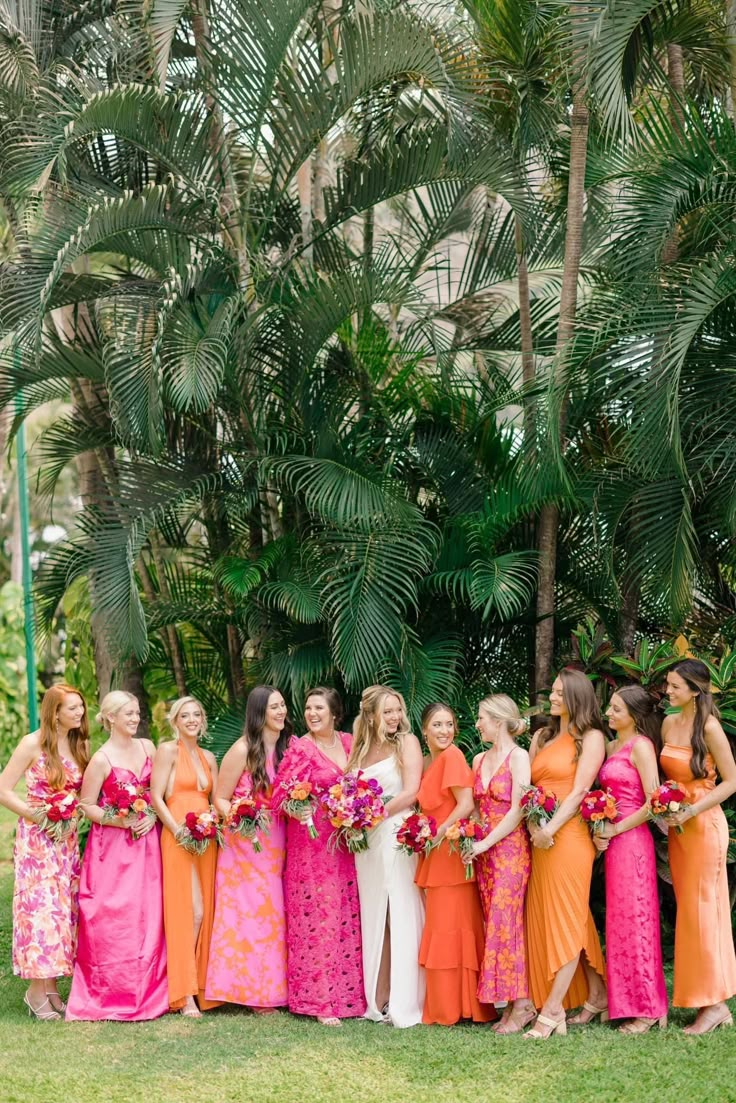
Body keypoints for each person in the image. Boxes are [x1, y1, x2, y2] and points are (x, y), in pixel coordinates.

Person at [66, 691, 168, 1021]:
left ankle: (153, 991)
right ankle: (110, 990)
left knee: (149, 914)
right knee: (114, 917)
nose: (135, 718)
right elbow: (87, 805)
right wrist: (121, 820)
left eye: (137, 713)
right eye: (128, 714)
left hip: (148, 845)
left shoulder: (149, 748)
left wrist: (151, 814)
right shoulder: (101, 759)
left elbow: (159, 792)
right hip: (112, 849)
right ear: (110, 717)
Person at [273, 686, 365, 1025]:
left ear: (334, 713)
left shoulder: (348, 743)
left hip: (346, 843)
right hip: (311, 847)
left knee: (345, 913)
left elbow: (362, 787)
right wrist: (300, 809)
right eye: (309, 708)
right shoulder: (300, 749)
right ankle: (319, 1001)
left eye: (319, 708)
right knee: (318, 918)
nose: (312, 714)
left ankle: (349, 997)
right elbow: (280, 796)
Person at [524, 669, 607, 1039]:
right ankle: (598, 995)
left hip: (568, 836)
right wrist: (532, 828)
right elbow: (527, 790)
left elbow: (578, 791)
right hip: (538, 836)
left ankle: (553, 1009)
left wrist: (550, 830)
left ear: (576, 696)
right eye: (553, 692)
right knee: (567, 914)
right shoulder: (542, 736)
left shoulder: (590, 738)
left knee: (568, 917)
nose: (553, 698)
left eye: (559, 693)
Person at [0, 685, 89, 1019]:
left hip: (65, 841)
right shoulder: (31, 743)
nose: (80, 713)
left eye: (81, 707)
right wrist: (39, 815)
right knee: (40, 911)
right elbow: (3, 789)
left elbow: (82, 794)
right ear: (54, 712)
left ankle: (51, 988)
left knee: (62, 911)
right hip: (37, 840)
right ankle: (35, 992)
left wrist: (73, 813)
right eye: (72, 708)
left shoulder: (80, 744)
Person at [660, 659, 736, 1033]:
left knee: (705, 912)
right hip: (679, 831)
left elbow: (731, 782)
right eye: (668, 684)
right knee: (689, 913)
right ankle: (701, 999)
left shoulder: (709, 727)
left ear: (695, 690)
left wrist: (691, 809)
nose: (668, 691)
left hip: (704, 826)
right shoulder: (669, 722)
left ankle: (715, 1004)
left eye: (675, 686)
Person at [205, 686, 290, 1010]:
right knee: (250, 913)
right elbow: (220, 798)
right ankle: (250, 992)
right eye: (273, 707)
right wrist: (243, 820)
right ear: (259, 713)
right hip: (245, 844)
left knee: (274, 913)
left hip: (279, 839)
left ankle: (274, 988)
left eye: (282, 705)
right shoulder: (241, 750)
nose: (281, 712)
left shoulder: (288, 749)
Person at [349, 685, 425, 1027]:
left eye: (398, 710)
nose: (395, 717)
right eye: (388, 711)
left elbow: (412, 791)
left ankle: (405, 998)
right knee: (375, 914)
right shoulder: (360, 748)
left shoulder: (406, 743)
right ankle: (377, 997)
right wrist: (351, 818)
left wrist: (374, 814)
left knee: (399, 911)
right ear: (371, 716)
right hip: (366, 843)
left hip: (395, 832)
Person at [594, 686, 668, 1032]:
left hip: (633, 841)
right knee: (620, 921)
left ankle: (649, 1007)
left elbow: (654, 802)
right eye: (610, 707)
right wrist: (600, 826)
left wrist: (618, 827)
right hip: (613, 842)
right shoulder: (611, 746)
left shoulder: (641, 746)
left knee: (638, 918)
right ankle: (624, 1002)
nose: (609, 714)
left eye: (617, 709)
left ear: (635, 717)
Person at [415, 702, 494, 1026]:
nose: (445, 731)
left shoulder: (453, 756)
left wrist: (438, 835)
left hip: (448, 850)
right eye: (437, 725)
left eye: (449, 724)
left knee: (454, 929)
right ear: (424, 730)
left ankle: (462, 1007)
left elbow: (465, 804)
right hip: (434, 851)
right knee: (442, 928)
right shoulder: (426, 762)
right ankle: (448, 1005)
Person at [151, 696, 219, 1017]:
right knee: (189, 912)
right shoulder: (167, 751)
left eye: (196, 714)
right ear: (175, 721)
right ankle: (183, 992)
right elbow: (156, 797)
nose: (191, 720)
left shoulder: (209, 757)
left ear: (202, 720)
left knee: (206, 912)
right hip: (178, 836)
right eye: (184, 715)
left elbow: (215, 800)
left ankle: (202, 987)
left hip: (206, 840)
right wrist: (178, 830)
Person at [471, 694, 534, 1034]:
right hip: (484, 855)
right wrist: (470, 840)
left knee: (504, 922)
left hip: (510, 849)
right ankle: (510, 1003)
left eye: (481, 718)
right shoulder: (479, 758)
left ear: (497, 720)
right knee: (492, 922)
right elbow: (477, 808)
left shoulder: (518, 756)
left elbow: (519, 809)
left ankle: (523, 1004)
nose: (477, 724)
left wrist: (486, 841)